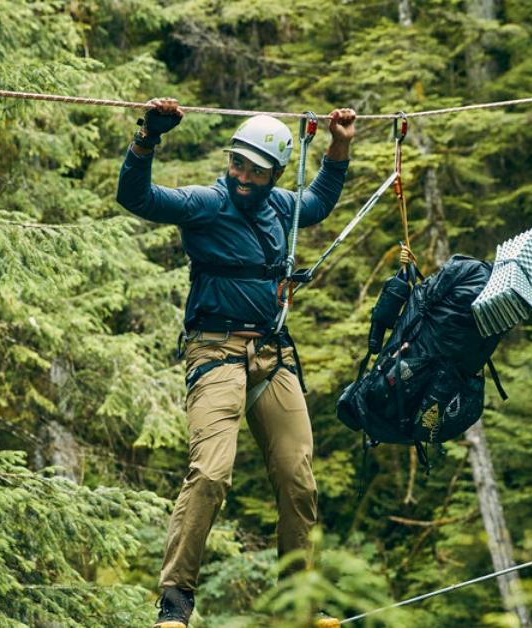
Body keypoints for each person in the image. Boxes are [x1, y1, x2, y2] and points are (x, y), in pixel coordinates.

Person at [116, 99, 356, 628]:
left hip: (273, 354)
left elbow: (318, 201)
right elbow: (137, 196)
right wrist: (146, 139)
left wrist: (338, 144)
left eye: (256, 169)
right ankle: (174, 606)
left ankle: (301, 605)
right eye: (237, 164)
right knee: (210, 473)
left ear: (273, 173)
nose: (243, 176)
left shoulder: (279, 208)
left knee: (298, 477)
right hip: (214, 352)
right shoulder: (206, 203)